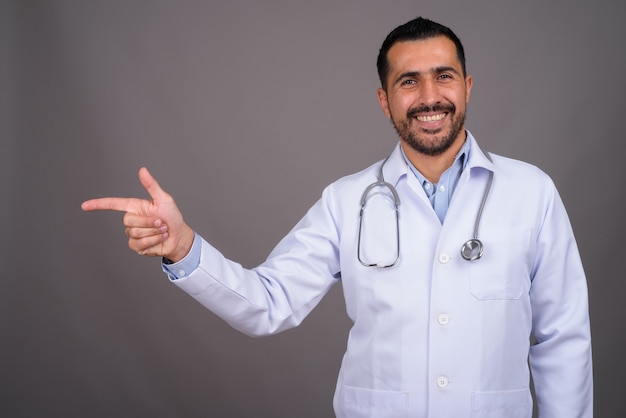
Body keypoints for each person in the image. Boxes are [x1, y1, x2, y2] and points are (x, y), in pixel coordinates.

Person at [82, 16, 593, 418]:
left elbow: (562, 336)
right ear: (384, 100)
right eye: (408, 81)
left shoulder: (532, 192)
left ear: (468, 85)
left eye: (444, 76)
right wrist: (183, 246)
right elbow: (269, 303)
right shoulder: (347, 200)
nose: (429, 96)